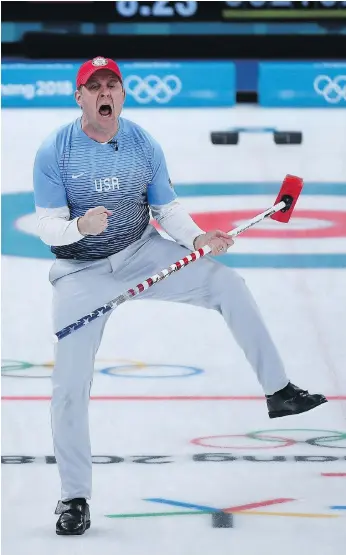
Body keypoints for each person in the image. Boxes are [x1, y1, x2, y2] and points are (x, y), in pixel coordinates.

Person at [33, 56, 327, 536]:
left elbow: (164, 207)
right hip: (80, 272)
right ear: (80, 97)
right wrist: (78, 226)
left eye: (112, 85)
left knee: (228, 284)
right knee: (68, 388)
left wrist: (196, 240)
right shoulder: (56, 151)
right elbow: (47, 224)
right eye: (95, 86)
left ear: (122, 95)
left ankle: (280, 391)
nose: (105, 93)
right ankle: (75, 498)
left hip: (140, 251)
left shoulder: (143, 143)